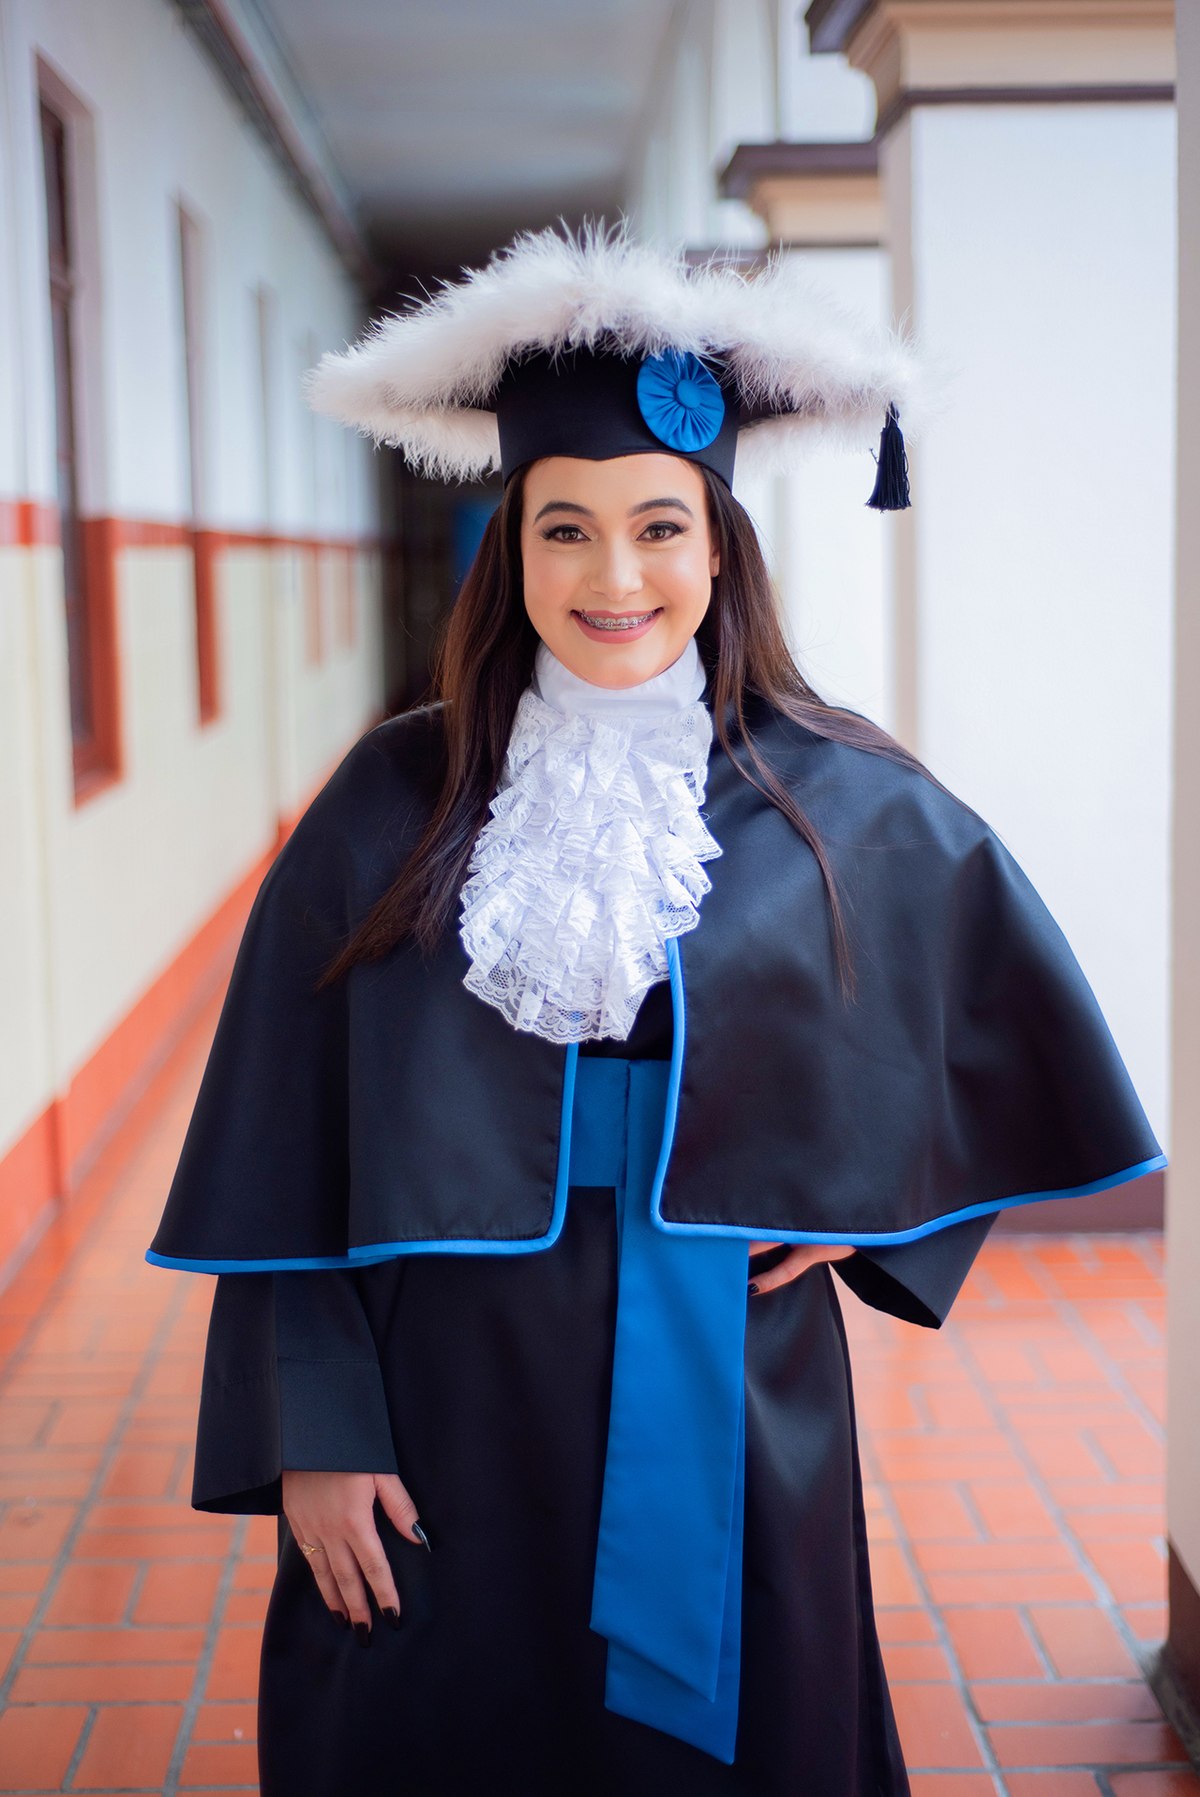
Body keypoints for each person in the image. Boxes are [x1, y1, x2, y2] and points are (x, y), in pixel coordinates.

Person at [148, 230, 1162, 1797]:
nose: (614, 579)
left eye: (657, 527)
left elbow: (987, 1042)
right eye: (566, 529)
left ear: (719, 542)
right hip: (440, 1387)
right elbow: (287, 1149)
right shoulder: (390, 800)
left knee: (741, 1734)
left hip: (740, 1375)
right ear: (512, 549)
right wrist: (316, 1427)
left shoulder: (841, 799)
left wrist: (884, 1222)